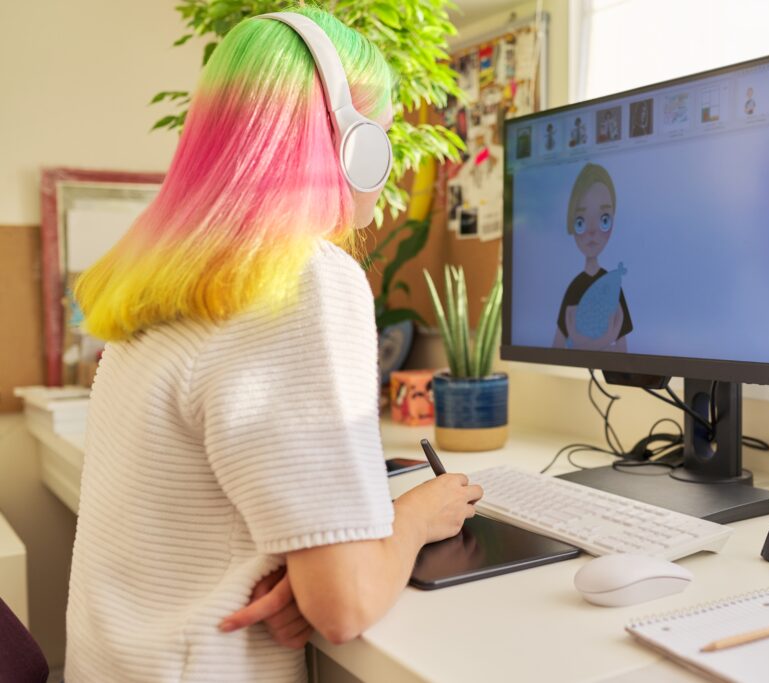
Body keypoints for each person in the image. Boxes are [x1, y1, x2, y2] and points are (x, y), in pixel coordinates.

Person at [65, 8, 481, 682]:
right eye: (375, 128)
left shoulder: (158, 282)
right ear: (346, 144)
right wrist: (414, 517)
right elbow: (344, 608)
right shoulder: (306, 278)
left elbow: (201, 514)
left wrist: (307, 559)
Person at [553, 163, 633, 351]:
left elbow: (623, 349)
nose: (591, 232)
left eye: (604, 220)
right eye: (580, 221)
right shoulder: (574, 288)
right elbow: (557, 346)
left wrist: (602, 343)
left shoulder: (612, 285)